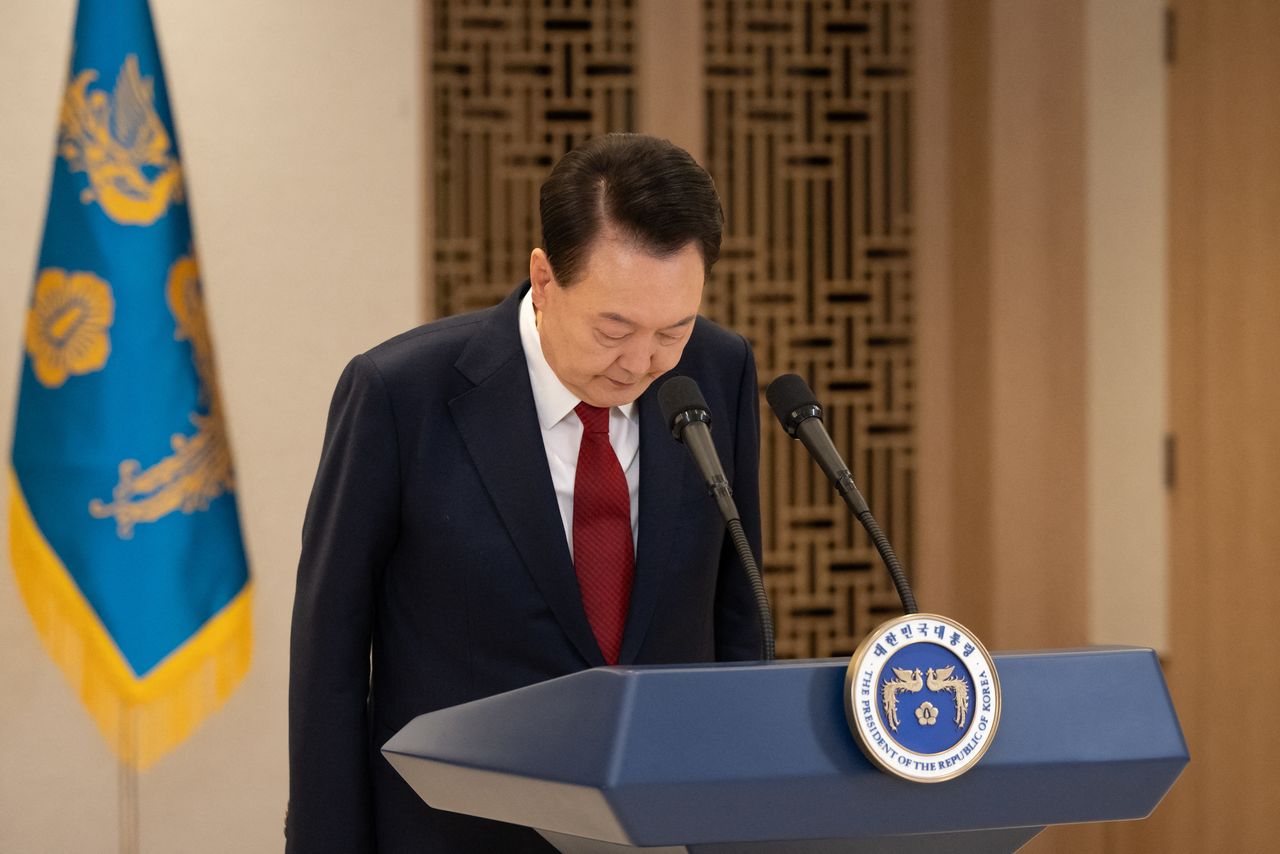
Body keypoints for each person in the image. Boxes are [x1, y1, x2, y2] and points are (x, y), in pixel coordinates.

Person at [287, 133, 763, 853]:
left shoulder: (718, 371)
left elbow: (737, 611)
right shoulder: (400, 395)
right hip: (456, 832)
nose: (642, 362)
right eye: (614, 327)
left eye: (674, 329)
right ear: (544, 279)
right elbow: (331, 653)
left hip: (662, 828)